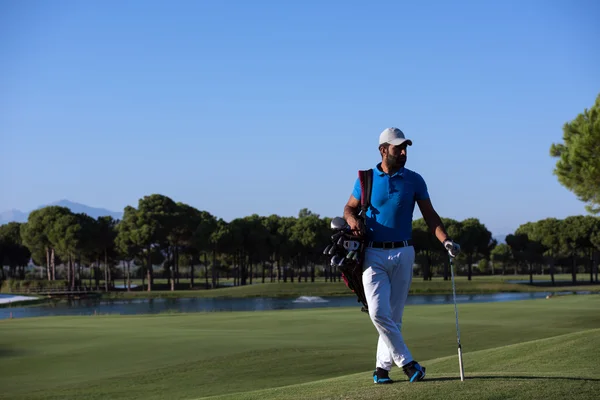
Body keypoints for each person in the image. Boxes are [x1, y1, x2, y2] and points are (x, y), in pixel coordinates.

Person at [343, 127, 461, 384]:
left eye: (406, 147)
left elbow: (430, 216)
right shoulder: (365, 179)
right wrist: (351, 219)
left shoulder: (415, 180)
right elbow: (349, 208)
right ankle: (408, 364)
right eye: (398, 148)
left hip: (404, 252)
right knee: (377, 313)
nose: (404, 152)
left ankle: (381, 370)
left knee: (393, 316)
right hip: (373, 253)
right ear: (383, 150)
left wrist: (446, 240)